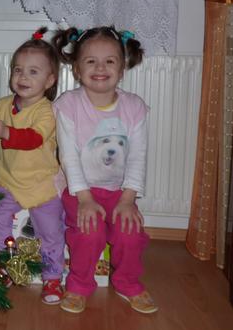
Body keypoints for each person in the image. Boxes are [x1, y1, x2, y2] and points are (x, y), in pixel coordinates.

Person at [51, 26, 157, 314]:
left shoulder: (134, 107)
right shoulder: (68, 105)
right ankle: (79, 284)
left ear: (121, 69)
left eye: (109, 61)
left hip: (119, 191)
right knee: (90, 231)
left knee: (129, 232)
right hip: (79, 189)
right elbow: (68, 157)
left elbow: (138, 157)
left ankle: (127, 282)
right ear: (76, 69)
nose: (100, 68)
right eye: (91, 61)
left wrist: (128, 200)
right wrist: (85, 199)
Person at [0, 27, 66, 305]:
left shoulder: (47, 110)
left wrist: (6, 132)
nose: (23, 77)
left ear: (49, 80)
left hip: (42, 184)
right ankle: (5, 263)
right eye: (18, 70)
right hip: (8, 181)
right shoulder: (4, 104)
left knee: (50, 231)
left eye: (33, 72)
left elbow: (33, 139)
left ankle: (53, 277)